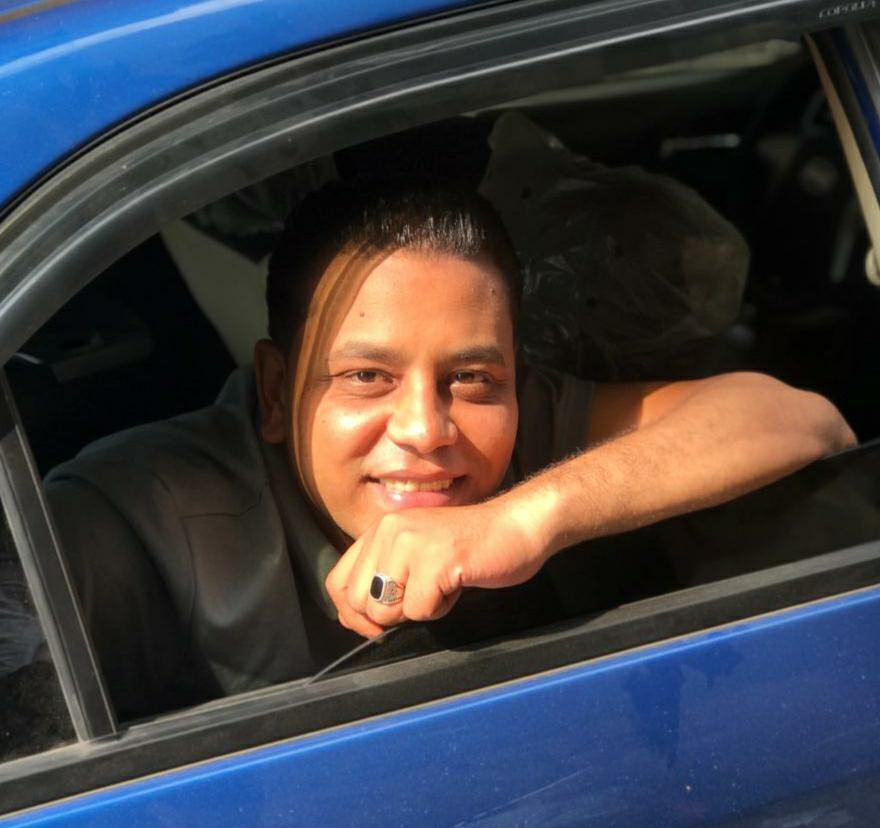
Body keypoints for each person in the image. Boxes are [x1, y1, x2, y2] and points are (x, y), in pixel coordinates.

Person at [45, 180, 855, 719]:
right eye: (367, 377)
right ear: (276, 391)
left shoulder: (514, 422)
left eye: (469, 376)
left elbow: (798, 417)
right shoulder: (139, 514)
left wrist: (525, 518)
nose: (427, 429)